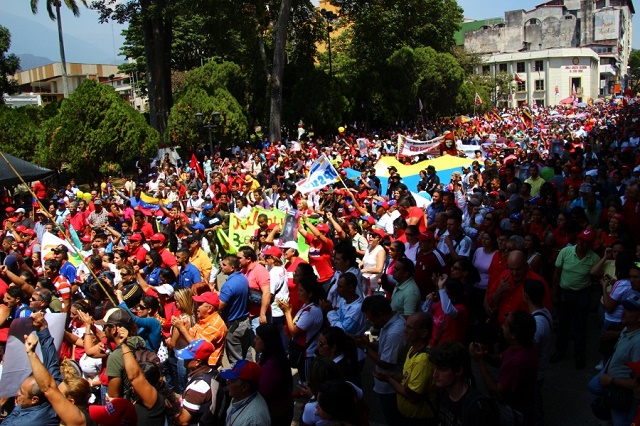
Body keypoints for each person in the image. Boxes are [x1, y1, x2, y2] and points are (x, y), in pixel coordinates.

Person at [469, 310, 538, 425]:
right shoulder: (521, 346)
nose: (502, 326)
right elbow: (501, 358)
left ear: (513, 335)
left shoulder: (518, 361)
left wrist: (480, 361)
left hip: (514, 412)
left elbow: (496, 390)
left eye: (505, 325)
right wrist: (485, 355)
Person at [374, 312, 437, 425]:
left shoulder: (423, 360)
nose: (405, 330)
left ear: (423, 333)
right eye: (405, 326)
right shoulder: (413, 349)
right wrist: (391, 376)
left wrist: (389, 380)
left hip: (419, 421)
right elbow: (406, 375)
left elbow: (412, 396)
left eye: (410, 328)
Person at [588, 290, 640, 425]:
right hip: (609, 372)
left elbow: (637, 383)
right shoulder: (629, 326)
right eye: (625, 308)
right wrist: (615, 334)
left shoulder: (638, 344)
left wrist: (611, 381)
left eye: (630, 310)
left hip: (620, 390)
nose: (623, 312)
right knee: (594, 386)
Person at [552, 229, 600, 369]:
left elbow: (597, 273)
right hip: (565, 292)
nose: (581, 244)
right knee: (563, 324)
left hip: (582, 294)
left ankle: (579, 354)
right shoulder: (565, 252)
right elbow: (556, 274)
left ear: (590, 244)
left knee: (580, 326)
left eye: (585, 242)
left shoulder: (594, 258)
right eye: (580, 240)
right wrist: (554, 293)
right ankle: (560, 350)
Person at [354, 295, 406, 425]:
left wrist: (365, 348)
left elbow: (386, 362)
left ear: (381, 315)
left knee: (393, 419)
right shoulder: (388, 324)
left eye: (372, 319)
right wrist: (369, 344)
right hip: (386, 384)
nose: (371, 323)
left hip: (392, 387)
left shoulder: (395, 332)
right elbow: (383, 346)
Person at [114, 326, 181, 425]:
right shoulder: (144, 399)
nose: (133, 387)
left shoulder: (153, 400)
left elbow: (135, 376)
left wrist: (124, 345)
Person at [3, 313, 60, 426]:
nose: (17, 393)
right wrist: (42, 328)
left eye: (22, 392)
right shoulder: (56, 394)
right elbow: (51, 362)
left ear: (34, 399)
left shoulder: (27, 422)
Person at [431, 341, 498, 425]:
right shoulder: (443, 393)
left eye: (442, 369)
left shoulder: (476, 408)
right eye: (435, 368)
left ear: (459, 370)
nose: (435, 375)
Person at [277, 272, 324, 382]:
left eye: (301, 290)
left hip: (308, 353)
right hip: (303, 351)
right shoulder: (307, 306)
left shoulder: (311, 311)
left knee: (308, 382)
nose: (298, 293)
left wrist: (287, 312)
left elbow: (294, 331)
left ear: (310, 293)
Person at [524, 279, 553, 426]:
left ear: (526, 296)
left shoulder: (537, 323)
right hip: (539, 369)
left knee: (534, 405)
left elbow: (531, 352)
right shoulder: (544, 312)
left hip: (535, 373)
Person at [171, 291, 227, 367]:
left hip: (207, 366)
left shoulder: (215, 325)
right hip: (195, 362)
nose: (196, 307)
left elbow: (198, 346)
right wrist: (185, 327)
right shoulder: (204, 319)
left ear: (209, 308)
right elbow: (192, 335)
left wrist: (181, 328)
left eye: (200, 304)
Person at [255, 323, 294, 426]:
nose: (255, 341)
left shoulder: (271, 366)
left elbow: (262, 393)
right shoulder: (270, 356)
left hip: (276, 414)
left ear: (266, 342)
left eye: (257, 338)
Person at [218, 254, 252, 363]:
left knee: (236, 361)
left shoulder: (229, 285)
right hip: (245, 323)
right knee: (247, 354)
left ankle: (240, 379)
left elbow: (220, 306)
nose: (221, 266)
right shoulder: (243, 278)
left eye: (224, 265)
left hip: (234, 326)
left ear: (232, 268)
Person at [174, 339, 217, 425]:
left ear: (197, 362)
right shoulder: (213, 373)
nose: (184, 359)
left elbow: (183, 421)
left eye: (188, 358)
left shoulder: (198, 387)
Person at [220, 360, 271, 426]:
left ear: (244, 387)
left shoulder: (253, 420)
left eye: (232, 380)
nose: (227, 382)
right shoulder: (239, 396)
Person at [424, 275, 468, 347]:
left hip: (447, 349)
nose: (443, 295)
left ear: (454, 294)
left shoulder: (460, 309)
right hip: (433, 344)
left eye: (446, 292)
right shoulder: (441, 303)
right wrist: (429, 302)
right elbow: (427, 313)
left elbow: (448, 311)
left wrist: (441, 288)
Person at [238, 246, 271, 335]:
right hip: (246, 315)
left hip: (258, 316)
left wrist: (262, 314)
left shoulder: (260, 270)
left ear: (248, 259)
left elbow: (266, 293)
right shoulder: (242, 271)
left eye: (240, 258)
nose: (238, 260)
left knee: (259, 345)